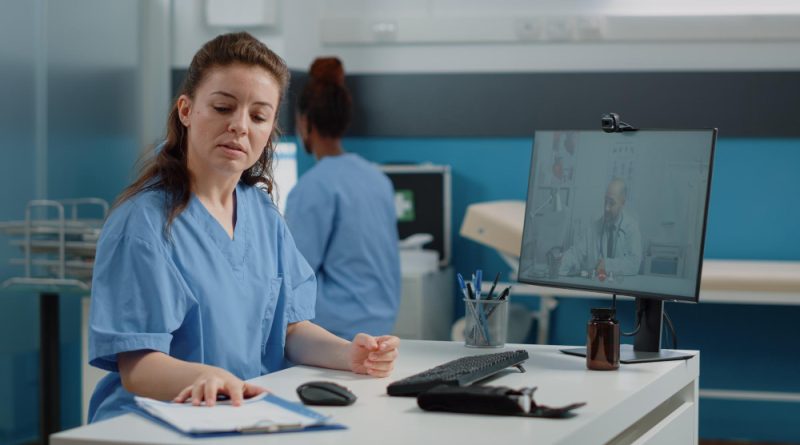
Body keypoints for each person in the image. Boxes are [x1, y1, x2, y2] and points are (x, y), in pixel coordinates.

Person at [87, 33, 399, 423]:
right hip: (150, 423)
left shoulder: (262, 214)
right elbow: (137, 367)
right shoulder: (143, 223)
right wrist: (204, 376)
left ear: (270, 130)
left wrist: (349, 354)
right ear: (185, 110)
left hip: (239, 413)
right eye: (222, 107)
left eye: (258, 116)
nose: (239, 126)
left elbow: (291, 328)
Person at [284, 57, 401, 340]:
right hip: (382, 324)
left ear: (304, 122)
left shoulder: (313, 187)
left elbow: (293, 277)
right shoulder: (378, 179)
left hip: (335, 331)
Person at [557, 178, 642, 279]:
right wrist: (562, 260)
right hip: (597, 287)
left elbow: (634, 264)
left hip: (621, 288)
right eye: (605, 201)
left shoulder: (631, 227)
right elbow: (576, 253)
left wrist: (607, 265)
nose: (606, 208)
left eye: (611, 203)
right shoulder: (594, 227)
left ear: (622, 203)